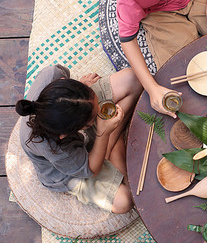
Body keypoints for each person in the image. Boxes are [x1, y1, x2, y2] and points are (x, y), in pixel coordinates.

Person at [16, 65, 143, 214]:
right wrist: (103, 133)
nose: (99, 112)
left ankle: (111, 139)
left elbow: (66, 79)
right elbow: (91, 170)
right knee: (125, 201)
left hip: (79, 108)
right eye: (93, 118)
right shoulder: (57, 149)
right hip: (68, 171)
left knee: (134, 78)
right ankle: (111, 138)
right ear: (66, 134)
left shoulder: (52, 74)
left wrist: (82, 90)